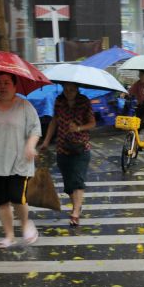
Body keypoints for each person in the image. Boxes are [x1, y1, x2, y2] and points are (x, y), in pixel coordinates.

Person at [0, 72, 42, 249]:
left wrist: (30, 145)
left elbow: (36, 129)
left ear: (15, 86)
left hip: (19, 160)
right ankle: (9, 235)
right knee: (2, 201)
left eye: (6, 83)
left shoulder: (24, 106)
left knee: (17, 197)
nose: (2, 86)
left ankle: (26, 224)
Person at [40, 82, 95, 226]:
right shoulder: (59, 101)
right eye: (65, 89)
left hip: (80, 147)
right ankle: (77, 205)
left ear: (77, 89)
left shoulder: (84, 101)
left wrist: (78, 128)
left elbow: (92, 123)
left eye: (71, 89)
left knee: (77, 180)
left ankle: (75, 212)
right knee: (68, 184)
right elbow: (54, 121)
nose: (68, 91)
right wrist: (46, 141)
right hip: (62, 147)